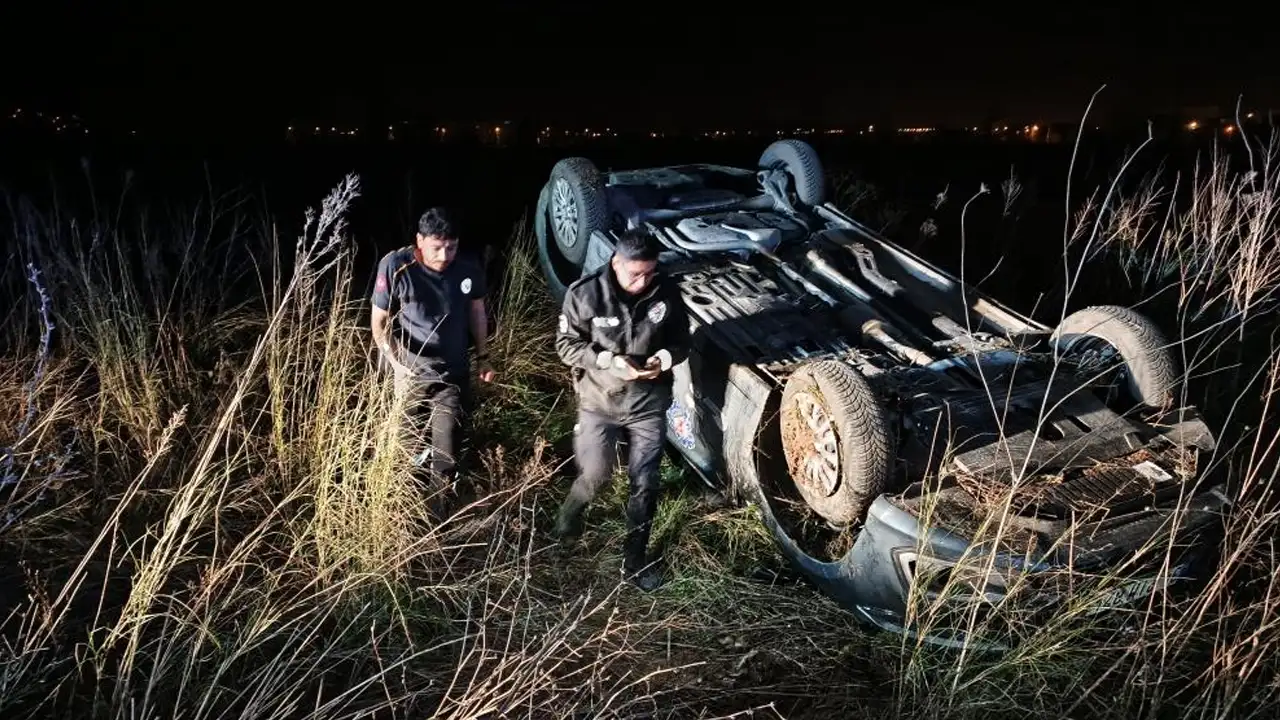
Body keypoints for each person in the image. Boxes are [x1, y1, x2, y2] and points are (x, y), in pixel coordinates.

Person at [553, 227, 692, 591]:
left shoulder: (667, 290)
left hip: (648, 405)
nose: (643, 281)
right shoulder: (585, 294)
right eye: (635, 274)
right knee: (595, 476)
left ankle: (635, 562)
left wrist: (663, 358)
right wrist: (608, 361)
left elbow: (682, 341)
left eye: (649, 272)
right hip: (600, 401)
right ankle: (565, 531)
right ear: (616, 263)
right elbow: (566, 345)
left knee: (646, 483)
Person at [370, 207, 497, 492]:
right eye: (437, 248)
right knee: (407, 445)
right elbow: (379, 322)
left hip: (452, 373)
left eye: (451, 248)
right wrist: (395, 364)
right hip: (410, 372)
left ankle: (439, 510)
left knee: (447, 446)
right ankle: (404, 502)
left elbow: (477, 312)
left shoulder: (467, 267)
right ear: (420, 240)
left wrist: (483, 357)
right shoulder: (396, 265)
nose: (444, 256)